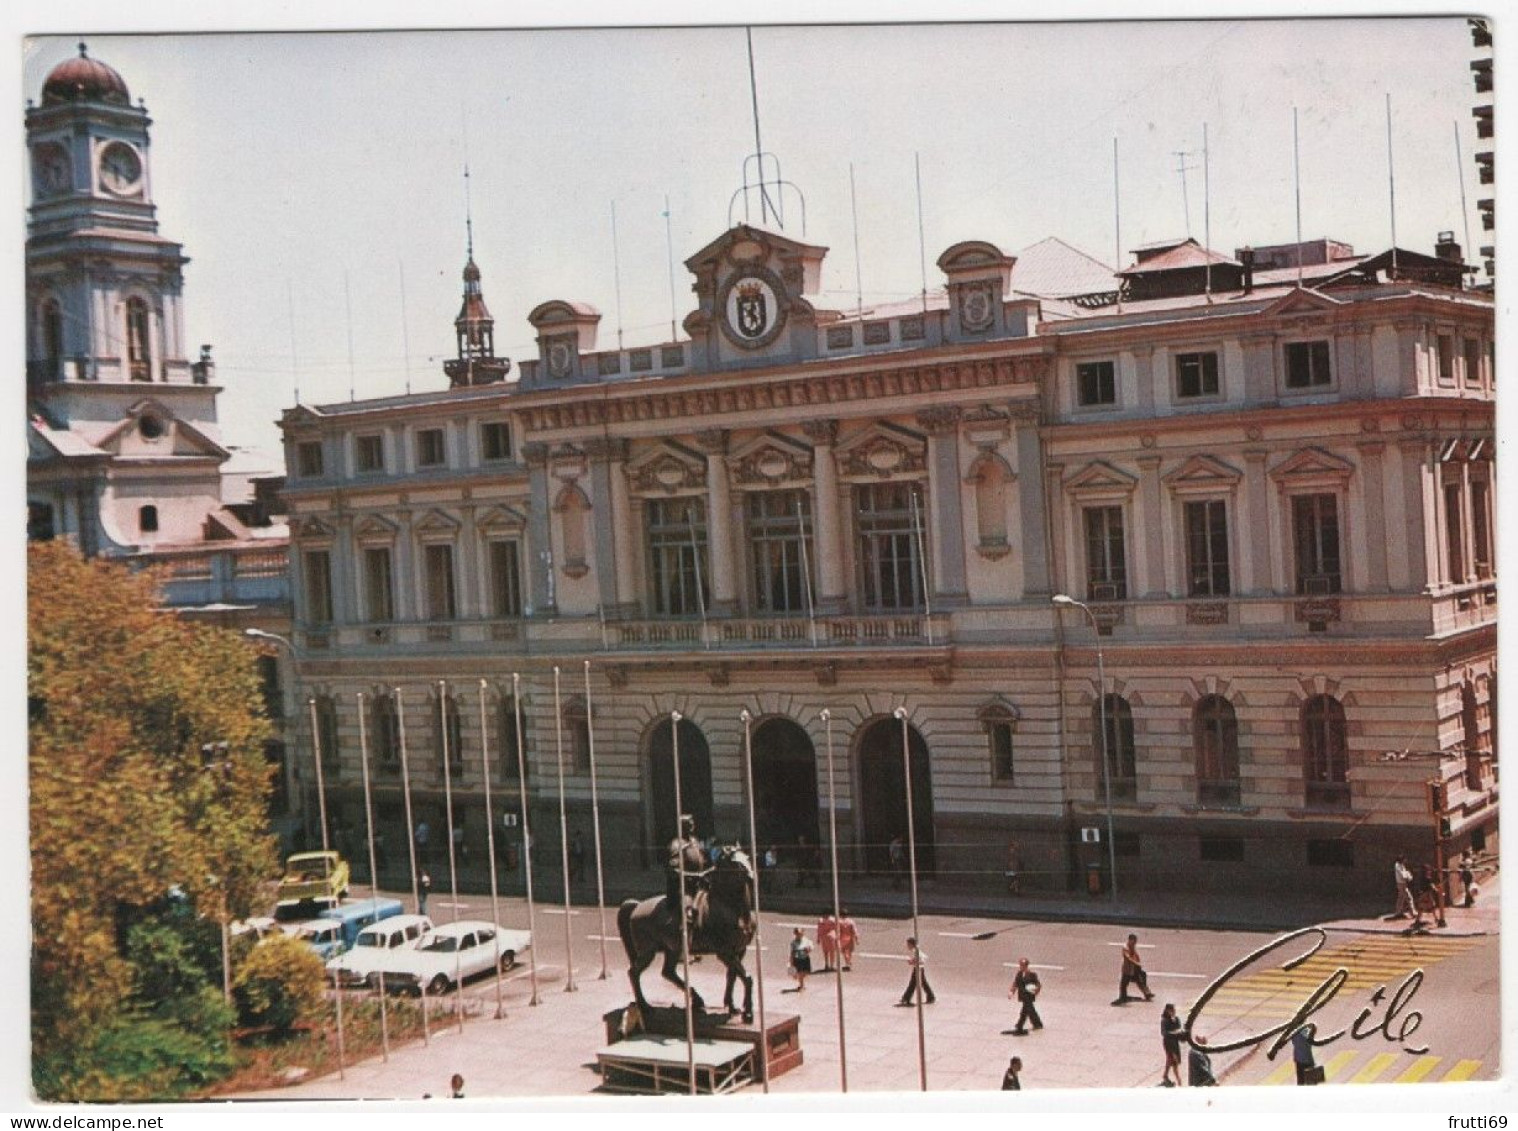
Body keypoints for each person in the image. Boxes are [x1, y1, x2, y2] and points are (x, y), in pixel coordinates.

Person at [665, 814, 708, 929]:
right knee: (688, 911)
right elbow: (673, 871)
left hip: (700, 885)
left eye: (692, 823)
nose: (692, 826)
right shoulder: (676, 845)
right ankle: (685, 935)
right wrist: (695, 875)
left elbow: (703, 859)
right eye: (688, 824)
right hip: (684, 887)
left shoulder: (695, 842)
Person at [1116, 933, 1154, 1003]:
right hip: (1127, 970)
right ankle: (1123, 997)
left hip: (1134, 969)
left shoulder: (1132, 946)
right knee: (1124, 984)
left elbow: (1136, 955)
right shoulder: (1125, 948)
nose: (1135, 943)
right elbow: (1128, 958)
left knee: (1140, 980)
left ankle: (1147, 993)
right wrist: (1136, 963)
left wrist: (1138, 963)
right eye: (1134, 941)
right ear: (1130, 940)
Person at [897, 936, 935, 1006]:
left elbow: (921, 960)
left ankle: (906, 998)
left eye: (908, 944)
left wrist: (912, 962)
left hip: (918, 969)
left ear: (911, 944)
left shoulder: (915, 951)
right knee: (923, 983)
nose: (907, 946)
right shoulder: (916, 950)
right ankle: (931, 997)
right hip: (919, 968)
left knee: (912, 984)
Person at [1009, 957, 1042, 1035]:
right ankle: (1037, 1023)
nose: (1021, 967)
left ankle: (1020, 1024)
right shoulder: (1019, 974)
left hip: (1029, 996)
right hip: (1023, 996)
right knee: (1030, 1011)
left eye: (1023, 965)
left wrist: (1035, 991)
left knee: (1025, 1011)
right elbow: (1015, 983)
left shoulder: (1032, 975)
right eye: (1020, 965)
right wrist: (1011, 992)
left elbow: (1038, 985)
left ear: (1026, 966)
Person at [1160, 1003, 1184, 1086]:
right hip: (1168, 1043)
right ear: (1167, 1011)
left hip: (1175, 1043)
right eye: (1172, 1010)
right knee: (1174, 1061)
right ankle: (1179, 1080)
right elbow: (1164, 1033)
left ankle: (1165, 1075)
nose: (1174, 1012)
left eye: (1174, 1010)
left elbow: (1180, 1028)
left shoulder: (1176, 1019)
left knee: (1170, 1060)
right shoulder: (1164, 1020)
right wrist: (1174, 1033)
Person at [1419, 862, 1447, 928]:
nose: (1430, 871)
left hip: (1427, 894)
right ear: (1426, 871)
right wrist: (1438, 890)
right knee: (1422, 907)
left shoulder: (1424, 877)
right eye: (1428, 870)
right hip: (1425, 894)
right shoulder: (1427, 878)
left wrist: (1436, 888)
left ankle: (1436, 919)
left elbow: (1432, 886)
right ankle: (1418, 920)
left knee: (1429, 906)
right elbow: (1432, 886)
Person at [787, 927, 813, 992]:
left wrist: (808, 949)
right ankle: (801, 985)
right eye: (797, 934)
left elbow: (811, 948)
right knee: (800, 972)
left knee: (806, 972)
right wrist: (791, 961)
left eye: (800, 933)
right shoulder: (793, 942)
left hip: (805, 958)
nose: (799, 935)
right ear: (795, 934)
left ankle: (801, 982)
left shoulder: (807, 940)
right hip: (798, 959)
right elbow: (792, 952)